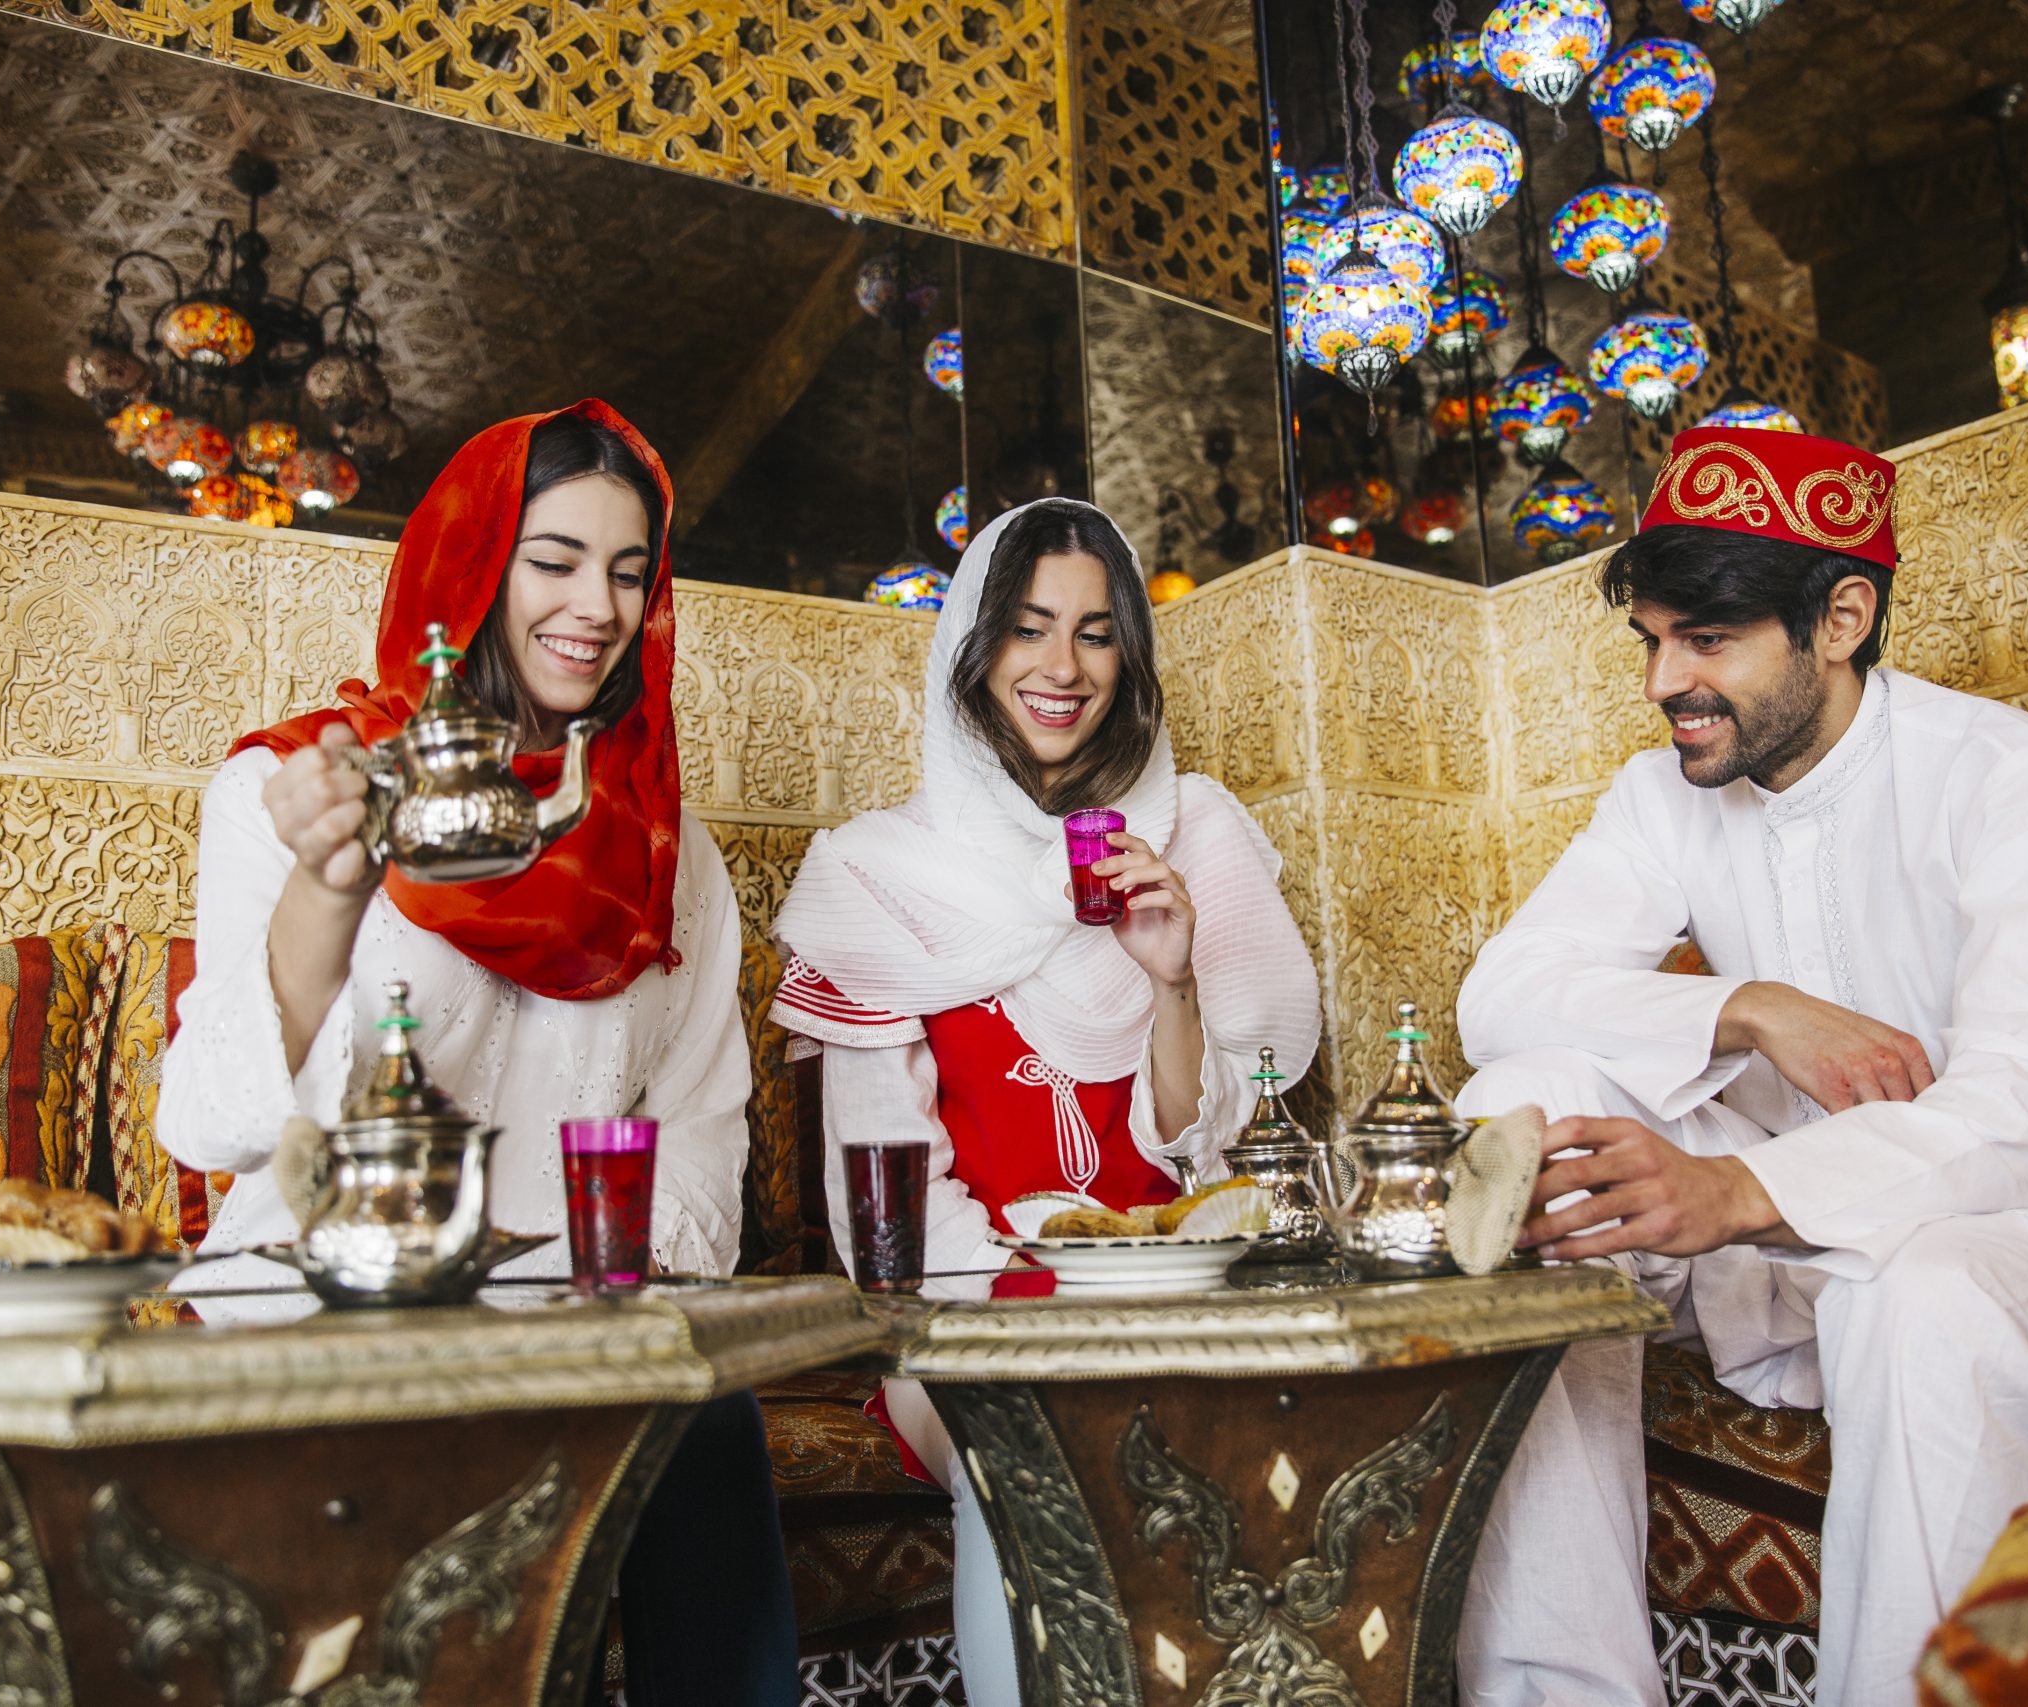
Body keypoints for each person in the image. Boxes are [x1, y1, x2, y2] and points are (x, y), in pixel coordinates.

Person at [1450, 424, 2028, 1707]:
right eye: (1651, 641)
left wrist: (1732, 1195)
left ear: (1840, 617)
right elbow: (1498, 998)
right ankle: (1558, 1692)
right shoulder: (1663, 796)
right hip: (1808, 1237)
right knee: (1511, 1112)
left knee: (1926, 1288)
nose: (1660, 682)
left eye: (1706, 640)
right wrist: (1755, 1007)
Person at [156, 399, 796, 1707]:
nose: (598, 605)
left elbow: (696, 1128)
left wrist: (587, 1306)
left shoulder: (671, 859)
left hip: (567, 1333)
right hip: (320, 1323)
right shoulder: (299, 788)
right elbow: (213, 1121)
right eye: (554, 558)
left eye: (630, 571)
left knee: (712, 1428)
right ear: (473, 563)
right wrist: (327, 896)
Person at [770, 497, 1320, 1706]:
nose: (1061, 668)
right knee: (1031, 1433)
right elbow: (889, 1211)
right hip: (969, 1321)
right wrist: (1044, 1307)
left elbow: (1224, 1159)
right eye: (1027, 630)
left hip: (1179, 1297)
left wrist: (1171, 984)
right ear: (974, 648)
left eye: (1095, 632)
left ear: (1132, 657)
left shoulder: (1194, 833)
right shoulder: (876, 876)